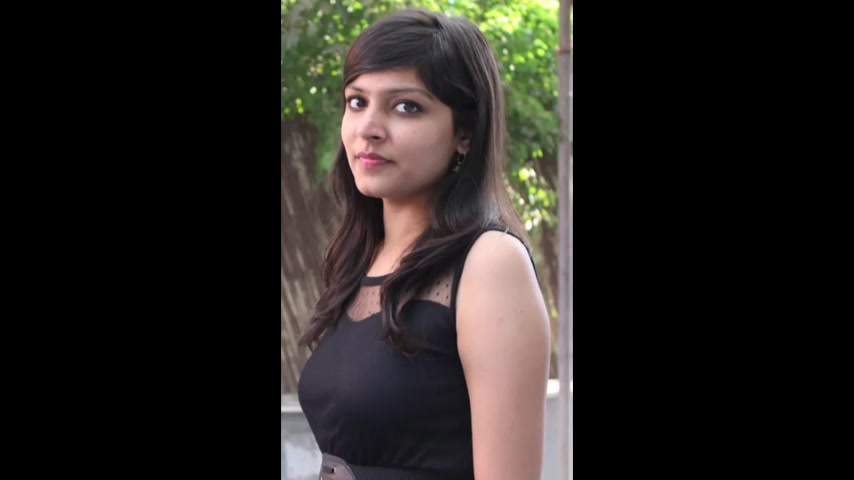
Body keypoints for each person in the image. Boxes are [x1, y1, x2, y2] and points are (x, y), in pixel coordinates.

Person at [298, 8, 551, 480]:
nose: (368, 128)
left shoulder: (490, 263)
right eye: (357, 101)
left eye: (406, 107)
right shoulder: (360, 260)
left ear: (464, 134)